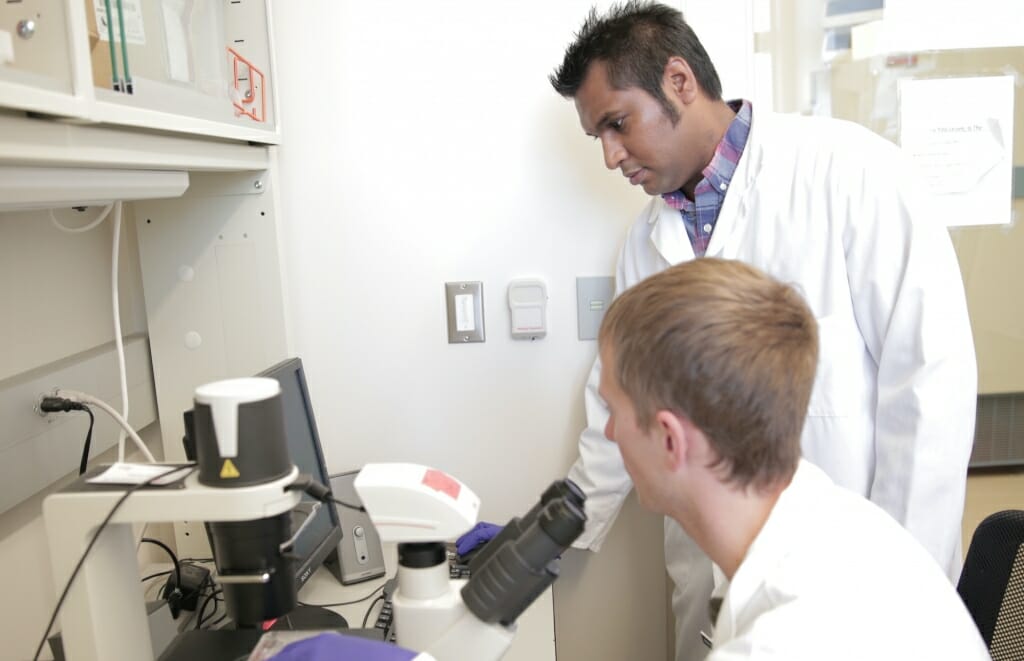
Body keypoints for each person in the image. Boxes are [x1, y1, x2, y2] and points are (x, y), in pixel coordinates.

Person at [548, 2, 978, 659]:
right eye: (597, 137)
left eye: (616, 123)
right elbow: (620, 410)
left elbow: (929, 392)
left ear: (680, 82)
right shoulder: (647, 243)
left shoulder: (854, 175)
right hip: (716, 583)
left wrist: (896, 588)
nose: (610, 157)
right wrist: (545, 534)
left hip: (853, 590)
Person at [594, 257, 988, 660]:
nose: (609, 432)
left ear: (670, 440)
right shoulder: (837, 516)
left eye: (613, 411)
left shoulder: (779, 643)